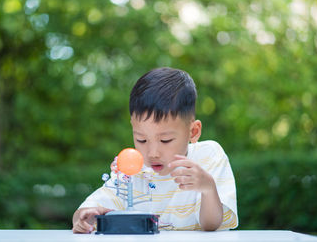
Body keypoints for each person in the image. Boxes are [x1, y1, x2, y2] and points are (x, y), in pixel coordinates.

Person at [72, 67, 238, 233]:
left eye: (165, 140)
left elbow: (211, 225)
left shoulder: (208, 157)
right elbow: (89, 209)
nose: (152, 153)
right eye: (141, 140)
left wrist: (208, 188)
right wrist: (84, 216)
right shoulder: (132, 170)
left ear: (193, 131)